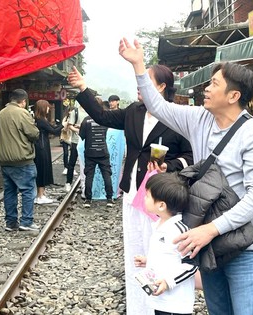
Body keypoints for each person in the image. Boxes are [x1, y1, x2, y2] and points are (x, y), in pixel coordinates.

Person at [119, 37, 253, 314]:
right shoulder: (199, 119)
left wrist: (209, 230)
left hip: (244, 247)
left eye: (214, 84)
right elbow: (158, 107)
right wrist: (138, 65)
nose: (206, 89)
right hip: (206, 244)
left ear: (233, 96)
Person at [67, 65, 193, 314]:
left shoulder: (177, 116)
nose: (138, 84)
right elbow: (103, 117)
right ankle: (138, 308)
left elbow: (190, 155)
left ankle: (163, 303)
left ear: (161, 87)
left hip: (161, 199)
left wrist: (170, 165)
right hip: (134, 192)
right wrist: (83, 88)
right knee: (135, 249)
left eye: (145, 80)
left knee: (159, 251)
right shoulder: (133, 112)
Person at [134, 172, 198, 315]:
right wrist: (148, 261)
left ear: (161, 205)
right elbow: (169, 255)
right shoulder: (159, 225)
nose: (144, 199)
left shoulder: (179, 231)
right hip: (161, 299)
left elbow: (192, 264)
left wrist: (169, 282)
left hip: (176, 302)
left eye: (147, 196)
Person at [0, 89, 40, 231]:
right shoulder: (22, 113)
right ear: (23, 101)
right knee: (28, 190)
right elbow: (33, 134)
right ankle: (26, 222)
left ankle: (10, 222)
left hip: (5, 160)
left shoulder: (0, 114)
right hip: (22, 159)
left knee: (9, 191)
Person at [78, 110, 113, 208]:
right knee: (107, 175)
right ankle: (109, 199)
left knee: (89, 176)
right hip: (103, 152)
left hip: (90, 153)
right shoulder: (104, 119)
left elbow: (82, 136)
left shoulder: (86, 120)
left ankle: (88, 200)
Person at [33, 100, 63, 204]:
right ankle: (40, 196)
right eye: (47, 107)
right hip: (42, 147)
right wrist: (63, 125)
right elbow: (54, 131)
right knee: (42, 170)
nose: (48, 108)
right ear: (42, 108)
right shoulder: (41, 120)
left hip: (41, 146)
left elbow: (52, 128)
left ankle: (41, 194)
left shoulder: (39, 119)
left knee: (41, 169)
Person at [64, 103, 81, 192]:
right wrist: (78, 130)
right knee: (72, 163)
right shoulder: (76, 112)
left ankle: (84, 183)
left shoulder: (90, 111)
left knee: (87, 164)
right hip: (76, 141)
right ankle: (68, 182)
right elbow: (70, 125)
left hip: (87, 141)